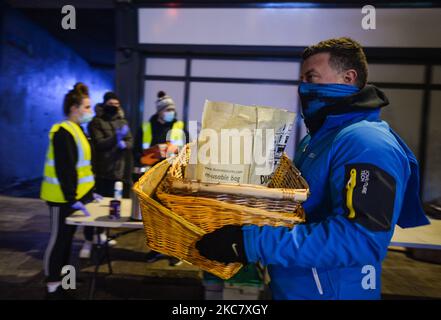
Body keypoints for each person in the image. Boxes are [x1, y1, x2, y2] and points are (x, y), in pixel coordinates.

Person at [195, 37, 430, 300]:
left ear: (348, 78)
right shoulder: (315, 139)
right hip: (295, 286)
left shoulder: (367, 143)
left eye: (312, 77)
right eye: (302, 79)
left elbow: (360, 240)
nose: (303, 87)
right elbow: (300, 209)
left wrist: (251, 243)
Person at [41, 83, 99, 299]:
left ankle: (66, 281)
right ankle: (53, 284)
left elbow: (81, 167)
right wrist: (72, 197)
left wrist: (89, 194)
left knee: (67, 241)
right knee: (58, 240)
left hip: (75, 198)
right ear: (74, 108)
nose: (89, 111)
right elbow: (65, 169)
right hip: (61, 199)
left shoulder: (78, 130)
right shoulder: (62, 132)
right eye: (87, 107)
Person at [79, 92, 133, 258]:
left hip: (118, 170)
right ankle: (88, 240)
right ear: (105, 104)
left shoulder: (122, 121)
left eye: (117, 103)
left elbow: (131, 140)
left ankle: (101, 235)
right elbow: (99, 144)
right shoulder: (96, 121)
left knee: (110, 206)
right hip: (101, 170)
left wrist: (125, 144)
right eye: (111, 103)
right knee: (94, 207)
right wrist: (115, 139)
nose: (114, 106)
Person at [140, 91, 187, 266]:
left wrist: (174, 151)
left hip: (173, 179)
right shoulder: (147, 127)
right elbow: (138, 153)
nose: (171, 113)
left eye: (173, 110)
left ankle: (176, 252)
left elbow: (189, 152)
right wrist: (152, 152)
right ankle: (157, 248)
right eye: (167, 109)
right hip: (151, 178)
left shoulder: (180, 127)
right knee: (155, 217)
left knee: (174, 217)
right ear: (159, 111)